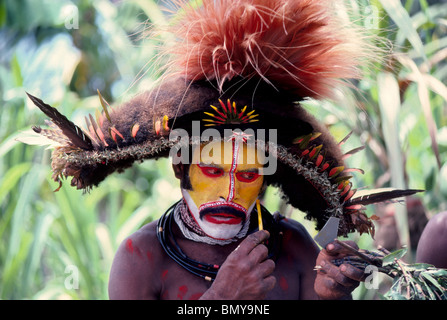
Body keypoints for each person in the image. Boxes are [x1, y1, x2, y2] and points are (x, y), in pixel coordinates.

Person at [23, 0, 419, 300]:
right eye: (213, 171)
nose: (229, 194)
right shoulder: (140, 258)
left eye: (247, 176)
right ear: (181, 165)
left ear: (265, 178)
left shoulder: (295, 247)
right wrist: (220, 299)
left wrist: (329, 295)